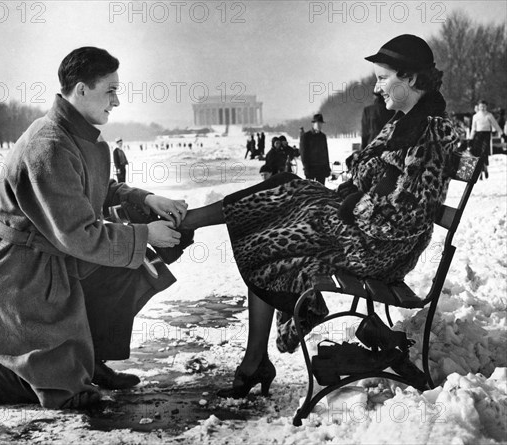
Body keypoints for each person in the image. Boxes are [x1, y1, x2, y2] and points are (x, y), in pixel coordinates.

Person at [176, 34, 459, 398]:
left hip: (381, 249)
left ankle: (187, 226)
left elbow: (403, 218)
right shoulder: (405, 122)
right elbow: (365, 181)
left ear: (412, 79)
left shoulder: (428, 134)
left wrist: (348, 207)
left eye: (383, 78)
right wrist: (348, 197)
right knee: (284, 191)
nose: (376, 87)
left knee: (278, 221)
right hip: (364, 233)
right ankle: (254, 357)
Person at [0, 46, 191, 410]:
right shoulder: (48, 145)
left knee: (126, 275)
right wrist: (145, 236)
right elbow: (79, 233)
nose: (117, 101)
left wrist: (145, 199)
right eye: (110, 90)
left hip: (54, 259)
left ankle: (88, 362)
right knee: (49, 387)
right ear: (81, 90)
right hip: (20, 276)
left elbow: (91, 190)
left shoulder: (73, 134)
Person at [470, 100, 504, 179]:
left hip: (486, 135)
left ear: (486, 107)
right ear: (478, 107)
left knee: (484, 152)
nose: (482, 108)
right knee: (478, 153)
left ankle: (485, 167)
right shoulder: (475, 116)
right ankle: (480, 171)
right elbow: (473, 129)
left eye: (484, 106)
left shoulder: (489, 115)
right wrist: (470, 139)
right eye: (481, 106)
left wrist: (502, 134)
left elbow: (495, 125)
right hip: (478, 136)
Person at [300, 114, 331, 184]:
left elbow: (325, 153)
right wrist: (306, 167)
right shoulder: (306, 136)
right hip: (311, 168)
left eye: (321, 123)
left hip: (321, 168)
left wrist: (327, 167)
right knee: (311, 191)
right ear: (313, 124)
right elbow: (303, 153)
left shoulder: (323, 136)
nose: (320, 125)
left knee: (321, 191)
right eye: (318, 123)